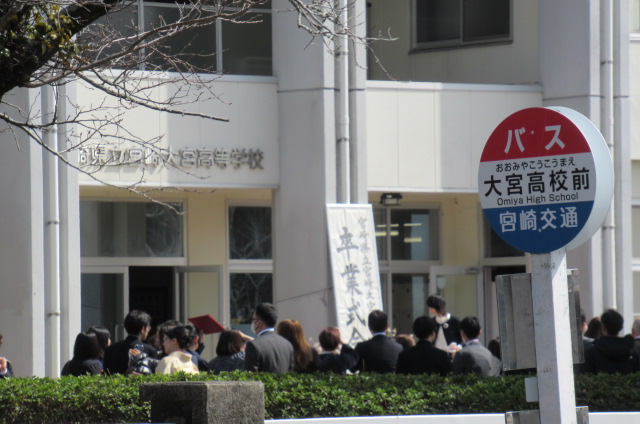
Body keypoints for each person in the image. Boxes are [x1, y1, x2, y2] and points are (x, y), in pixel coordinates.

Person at [583, 309, 639, 374]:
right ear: (621, 327)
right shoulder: (632, 352)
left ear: (603, 327)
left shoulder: (591, 353)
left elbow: (585, 376)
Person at [103, 310, 159, 375]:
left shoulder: (110, 349)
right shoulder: (151, 351)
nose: (148, 330)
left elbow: (106, 374)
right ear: (143, 329)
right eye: (148, 328)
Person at [244, 303, 294, 373]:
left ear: (259, 323)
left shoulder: (253, 345)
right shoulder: (287, 344)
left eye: (253, 319)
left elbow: (249, 376)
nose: (252, 322)